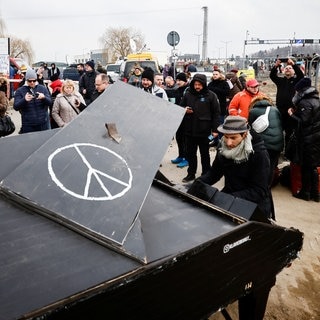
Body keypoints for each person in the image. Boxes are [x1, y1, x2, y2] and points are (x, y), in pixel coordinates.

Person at [198, 115, 272, 217]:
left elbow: (259, 191)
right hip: (231, 195)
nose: (228, 143)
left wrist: (226, 197)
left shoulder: (259, 154)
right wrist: (197, 184)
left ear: (244, 134)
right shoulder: (222, 147)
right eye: (226, 137)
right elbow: (214, 173)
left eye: (233, 138)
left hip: (254, 206)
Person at [179, 73, 220, 182]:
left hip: (204, 131)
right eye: (195, 84)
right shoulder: (188, 94)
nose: (197, 86)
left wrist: (215, 130)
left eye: (199, 84)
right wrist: (185, 110)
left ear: (204, 84)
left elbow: (216, 113)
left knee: (205, 154)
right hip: (189, 130)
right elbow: (180, 107)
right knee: (191, 154)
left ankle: (206, 174)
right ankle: (191, 173)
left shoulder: (211, 96)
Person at [248, 96, 284, 219]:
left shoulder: (253, 111)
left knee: (262, 167)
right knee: (272, 166)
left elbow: (249, 128)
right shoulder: (275, 110)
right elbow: (281, 125)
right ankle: (268, 186)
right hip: (278, 143)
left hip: (265, 144)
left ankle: (262, 188)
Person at [288, 77, 320, 202]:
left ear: (301, 91)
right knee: (313, 166)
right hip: (316, 136)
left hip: (308, 138)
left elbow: (303, 121)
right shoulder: (316, 100)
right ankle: (316, 194)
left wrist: (292, 115)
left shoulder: (304, 103)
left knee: (306, 166)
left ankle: (305, 193)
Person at [270, 57, 304, 145]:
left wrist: (293, 64)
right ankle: (279, 148)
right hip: (280, 110)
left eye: (290, 68)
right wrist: (276, 66)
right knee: (278, 130)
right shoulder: (280, 81)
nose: (288, 69)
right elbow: (272, 76)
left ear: (293, 71)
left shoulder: (297, 80)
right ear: (283, 71)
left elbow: (301, 75)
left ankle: (288, 151)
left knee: (290, 131)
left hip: (291, 110)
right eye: (286, 68)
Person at [13, 69, 52, 134]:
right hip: (28, 125)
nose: (32, 83)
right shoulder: (20, 90)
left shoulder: (42, 88)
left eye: (34, 81)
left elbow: (50, 102)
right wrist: (24, 100)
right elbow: (16, 107)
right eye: (30, 81)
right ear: (26, 80)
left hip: (42, 124)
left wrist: (44, 98)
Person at [169, 72, 189, 168]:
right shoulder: (178, 90)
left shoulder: (188, 90)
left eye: (180, 80)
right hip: (179, 118)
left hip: (187, 119)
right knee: (179, 138)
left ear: (184, 81)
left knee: (185, 139)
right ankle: (181, 155)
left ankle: (186, 158)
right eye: (177, 80)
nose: (178, 82)